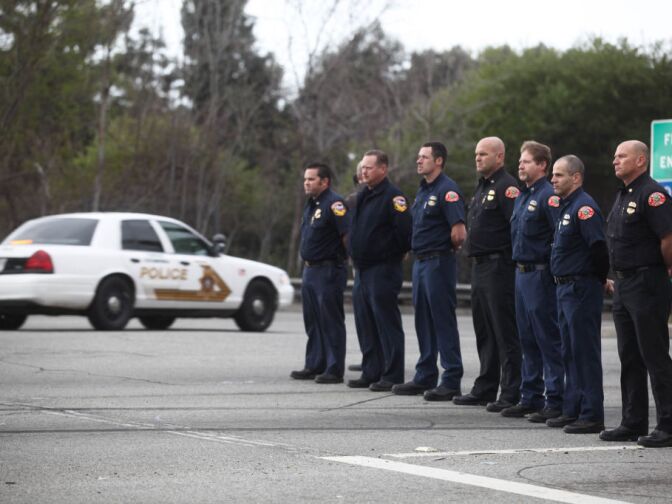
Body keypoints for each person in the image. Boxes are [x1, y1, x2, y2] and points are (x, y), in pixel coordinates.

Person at [600, 140, 672, 448]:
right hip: (624, 285)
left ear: (640, 160)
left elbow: (668, 238)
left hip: (647, 282)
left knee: (654, 355)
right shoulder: (623, 195)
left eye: (622, 156)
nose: (615, 160)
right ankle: (633, 421)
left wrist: (663, 269)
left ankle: (668, 424)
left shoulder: (652, 195)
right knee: (629, 356)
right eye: (614, 155)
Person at [392, 142, 466, 401]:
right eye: (418, 156)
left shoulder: (448, 190)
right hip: (420, 262)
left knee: (441, 319)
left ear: (439, 161)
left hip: (438, 261)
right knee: (422, 319)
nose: (418, 161)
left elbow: (459, 233)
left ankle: (451, 378)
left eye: (424, 157)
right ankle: (425, 374)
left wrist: (444, 250)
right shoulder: (423, 191)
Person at [453, 137, 522, 412]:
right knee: (484, 330)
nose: (477, 158)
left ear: (500, 157)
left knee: (504, 331)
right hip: (479, 267)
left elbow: (515, 228)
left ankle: (511, 390)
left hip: (499, 266)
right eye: (476, 154)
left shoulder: (508, 188)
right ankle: (485, 386)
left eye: (483, 154)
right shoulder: (482, 188)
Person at [503, 141, 564, 422]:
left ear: (542, 165)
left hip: (540, 274)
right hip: (521, 273)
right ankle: (530, 397)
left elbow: (559, 237)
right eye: (520, 161)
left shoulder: (549, 196)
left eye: (526, 161)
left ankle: (555, 399)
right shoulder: (522, 196)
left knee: (546, 338)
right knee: (526, 337)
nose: (520, 165)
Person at [547, 154, 608, 434]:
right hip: (564, 287)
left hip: (580, 287)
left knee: (584, 351)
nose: (553, 180)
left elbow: (598, 248)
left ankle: (591, 413)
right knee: (569, 351)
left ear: (576, 178)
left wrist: (595, 281)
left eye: (559, 175)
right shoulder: (566, 207)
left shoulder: (584, 208)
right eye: (553, 175)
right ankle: (572, 409)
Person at [347, 149, 412, 391]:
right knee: (365, 322)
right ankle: (371, 370)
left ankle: (392, 374)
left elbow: (404, 234)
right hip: (362, 269)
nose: (363, 171)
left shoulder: (393, 197)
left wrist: (385, 253)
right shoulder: (364, 194)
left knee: (386, 322)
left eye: (369, 167)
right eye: (362, 167)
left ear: (383, 169)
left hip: (382, 269)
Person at [290, 163, 350, 384]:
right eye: (305, 179)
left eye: (312, 179)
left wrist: (344, 260)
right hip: (310, 269)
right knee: (313, 320)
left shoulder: (334, 204)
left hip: (328, 269)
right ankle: (315, 363)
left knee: (330, 319)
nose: (307, 182)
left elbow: (347, 236)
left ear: (325, 182)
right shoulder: (311, 205)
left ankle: (334, 368)